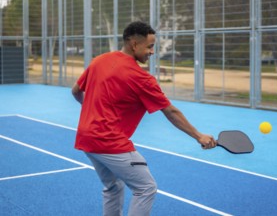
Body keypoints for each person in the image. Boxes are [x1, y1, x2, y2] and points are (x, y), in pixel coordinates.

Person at [72, 21, 216, 216]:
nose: (152, 52)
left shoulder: (99, 61)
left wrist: (93, 112)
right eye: (149, 46)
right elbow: (170, 112)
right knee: (146, 188)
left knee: (113, 187)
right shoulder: (141, 78)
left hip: (86, 138)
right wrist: (199, 136)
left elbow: (76, 91)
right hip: (109, 142)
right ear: (134, 44)